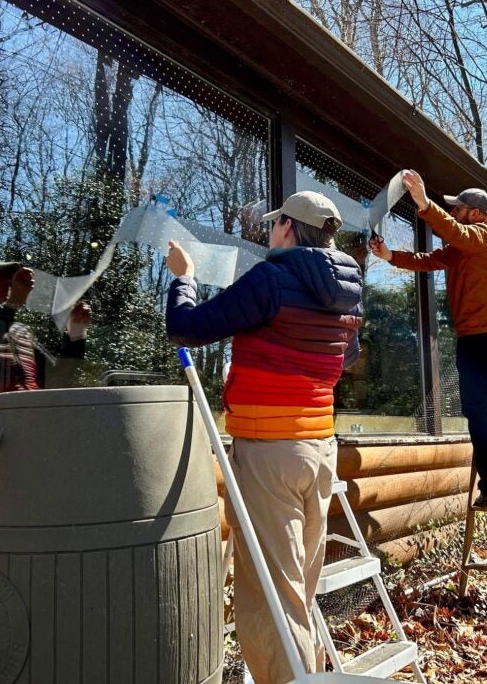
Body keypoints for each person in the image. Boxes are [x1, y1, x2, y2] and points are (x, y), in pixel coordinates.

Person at [165, 191, 363, 684]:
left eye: (276, 225)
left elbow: (187, 329)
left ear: (290, 230)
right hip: (319, 449)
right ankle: (311, 674)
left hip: (270, 451)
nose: (271, 232)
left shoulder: (273, 278)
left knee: (272, 597)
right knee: (297, 591)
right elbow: (348, 357)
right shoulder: (349, 289)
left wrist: (183, 278)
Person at [370, 170, 487, 508]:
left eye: (459, 207)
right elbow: (429, 259)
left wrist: (423, 202)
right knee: (476, 410)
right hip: (471, 337)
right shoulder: (460, 247)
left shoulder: (484, 236)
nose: (455, 212)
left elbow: (456, 231)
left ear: (476, 213)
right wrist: (390, 256)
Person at [0, 256, 91, 402]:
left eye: (9, 276)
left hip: (28, 418)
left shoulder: (20, 331)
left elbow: (56, 381)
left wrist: (76, 335)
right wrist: (12, 306)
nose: (9, 281)